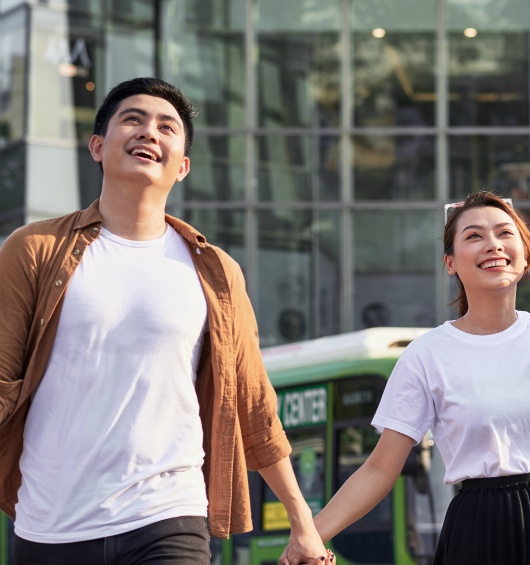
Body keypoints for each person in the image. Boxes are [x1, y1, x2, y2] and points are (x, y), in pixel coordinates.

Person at [0, 78, 330, 565]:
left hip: (168, 514)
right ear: (97, 146)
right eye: (132, 119)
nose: (148, 132)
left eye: (166, 126)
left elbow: (253, 403)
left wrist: (303, 524)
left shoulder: (216, 272)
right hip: (50, 523)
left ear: (183, 166)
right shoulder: (35, 249)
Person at [289, 191, 530, 564]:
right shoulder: (426, 355)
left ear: (526, 257)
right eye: (474, 236)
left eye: (505, 233)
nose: (493, 245)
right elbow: (379, 468)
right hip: (477, 527)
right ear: (451, 262)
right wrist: (309, 535)